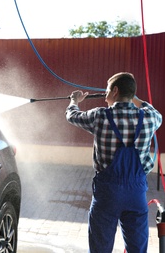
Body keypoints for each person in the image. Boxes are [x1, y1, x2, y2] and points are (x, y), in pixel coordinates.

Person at [65, 72, 162, 252]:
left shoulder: (100, 116)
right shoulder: (149, 118)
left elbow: (72, 116)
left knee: (100, 248)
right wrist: (135, 98)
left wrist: (74, 100)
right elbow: (153, 111)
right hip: (136, 195)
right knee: (137, 249)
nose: (105, 96)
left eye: (108, 91)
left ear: (115, 91)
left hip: (107, 195)